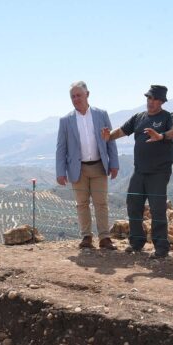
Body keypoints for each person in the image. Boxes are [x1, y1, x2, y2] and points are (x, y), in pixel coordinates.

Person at [101, 85, 173, 258]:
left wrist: (161, 136)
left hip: (159, 172)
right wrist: (109, 136)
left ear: (161, 101)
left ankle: (161, 247)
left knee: (157, 208)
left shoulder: (168, 116)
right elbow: (122, 131)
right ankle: (137, 242)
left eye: (155, 99)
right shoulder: (139, 117)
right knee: (133, 204)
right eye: (149, 98)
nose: (151, 102)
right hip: (139, 171)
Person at [56, 81, 119, 250]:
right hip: (78, 169)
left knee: (101, 203)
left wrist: (114, 163)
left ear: (87, 94)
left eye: (79, 95)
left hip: (99, 166)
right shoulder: (65, 120)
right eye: (73, 96)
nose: (76, 99)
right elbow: (61, 147)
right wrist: (60, 172)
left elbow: (110, 140)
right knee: (81, 204)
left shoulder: (101, 114)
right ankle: (86, 237)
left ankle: (105, 238)